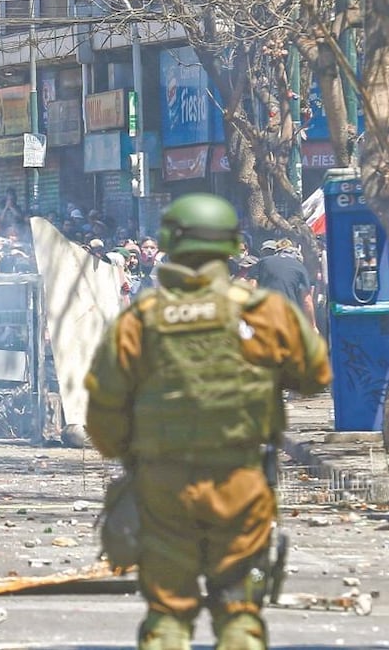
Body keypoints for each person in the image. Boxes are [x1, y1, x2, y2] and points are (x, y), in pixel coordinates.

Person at [84, 194, 331, 650]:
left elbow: (102, 413)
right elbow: (316, 376)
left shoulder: (140, 319)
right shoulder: (264, 312)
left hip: (162, 484)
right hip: (242, 478)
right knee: (239, 612)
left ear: (166, 246)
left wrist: (133, 456)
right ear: (233, 248)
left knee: (168, 615)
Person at [247, 238, 318, 332]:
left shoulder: (263, 262)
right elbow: (307, 301)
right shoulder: (300, 267)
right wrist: (312, 327)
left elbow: (251, 288)